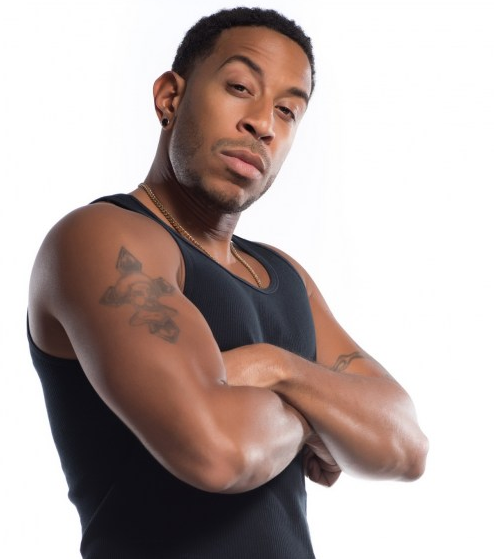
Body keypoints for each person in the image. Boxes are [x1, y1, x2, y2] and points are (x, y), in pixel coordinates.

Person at [27, 7, 428, 558]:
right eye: (240, 87)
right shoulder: (104, 239)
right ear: (170, 98)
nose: (263, 123)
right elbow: (218, 452)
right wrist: (327, 419)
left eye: (287, 110)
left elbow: (406, 446)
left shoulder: (284, 275)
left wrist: (273, 366)